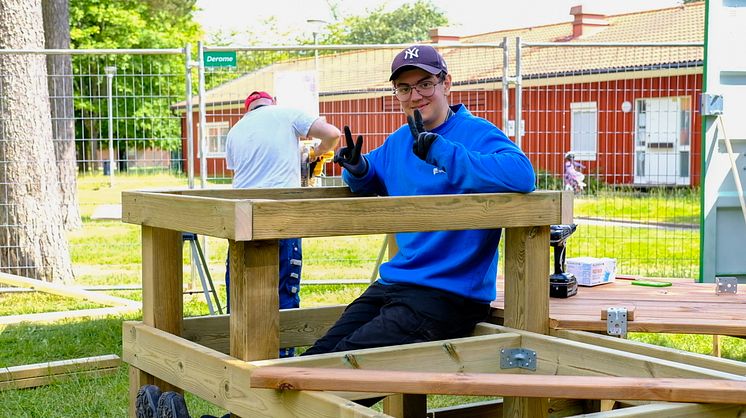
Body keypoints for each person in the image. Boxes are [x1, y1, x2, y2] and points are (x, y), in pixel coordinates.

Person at [302, 44, 536, 359]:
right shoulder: (400, 139)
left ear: (446, 84)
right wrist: (358, 170)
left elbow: (522, 175)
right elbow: (372, 175)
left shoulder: (476, 133)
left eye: (425, 84)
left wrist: (442, 151)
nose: (415, 96)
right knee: (319, 355)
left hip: (448, 294)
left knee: (346, 364)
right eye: (404, 88)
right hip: (396, 283)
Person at [224, 90, 341, 358]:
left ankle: (240, 353)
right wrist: (315, 153)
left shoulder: (236, 130)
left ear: (248, 109)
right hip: (280, 214)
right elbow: (332, 134)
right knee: (282, 291)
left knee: (240, 288)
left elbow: (240, 172)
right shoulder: (288, 114)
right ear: (273, 103)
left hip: (242, 217)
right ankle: (282, 359)